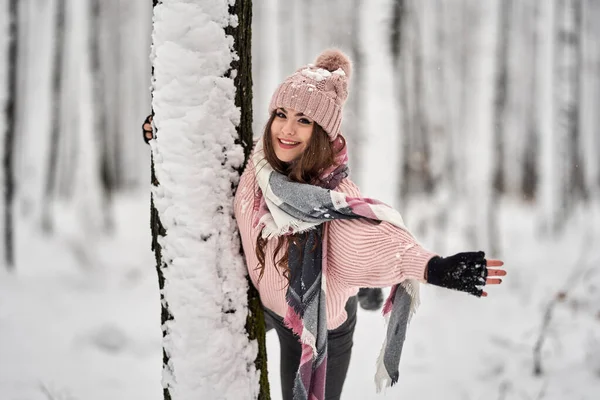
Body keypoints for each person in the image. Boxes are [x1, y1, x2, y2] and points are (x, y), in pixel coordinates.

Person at [143, 49, 506, 400]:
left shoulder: (330, 202)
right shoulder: (260, 163)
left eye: (304, 120)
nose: (286, 129)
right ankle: (363, 287)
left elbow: (375, 239)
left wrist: (435, 267)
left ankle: (361, 289)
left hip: (317, 327)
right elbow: (211, 151)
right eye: (281, 114)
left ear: (322, 133)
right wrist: (167, 135)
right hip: (262, 302)